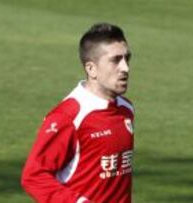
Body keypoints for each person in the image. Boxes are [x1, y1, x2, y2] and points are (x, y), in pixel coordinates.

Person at [21, 22, 135, 203]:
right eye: (115, 60)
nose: (125, 68)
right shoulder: (69, 117)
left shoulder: (125, 109)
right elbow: (34, 176)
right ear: (91, 68)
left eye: (127, 58)